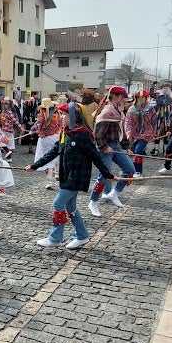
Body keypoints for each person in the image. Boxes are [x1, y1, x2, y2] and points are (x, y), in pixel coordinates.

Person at [29, 102, 118, 249]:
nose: (61, 117)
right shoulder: (65, 132)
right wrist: (34, 166)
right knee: (70, 207)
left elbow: (96, 156)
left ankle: (55, 238)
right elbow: (53, 151)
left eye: (64, 114)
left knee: (58, 204)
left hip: (77, 177)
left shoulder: (83, 134)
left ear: (73, 116)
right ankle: (82, 236)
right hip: (66, 176)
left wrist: (107, 174)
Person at [87, 86, 137, 217]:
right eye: (122, 97)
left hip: (116, 146)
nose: (124, 100)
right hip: (106, 148)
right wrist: (104, 147)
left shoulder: (119, 111)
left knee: (130, 169)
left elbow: (122, 133)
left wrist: (127, 147)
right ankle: (93, 202)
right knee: (104, 176)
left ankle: (114, 193)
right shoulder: (108, 111)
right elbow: (97, 134)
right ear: (116, 96)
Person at [30, 98, 63, 190]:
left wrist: (32, 130)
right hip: (56, 136)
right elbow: (61, 123)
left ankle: (50, 181)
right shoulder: (58, 113)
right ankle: (57, 174)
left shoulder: (42, 113)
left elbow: (40, 122)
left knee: (46, 158)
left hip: (45, 138)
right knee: (56, 155)